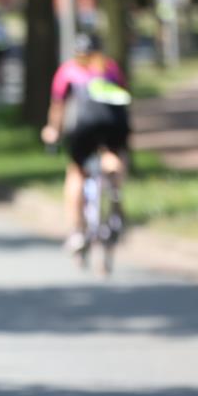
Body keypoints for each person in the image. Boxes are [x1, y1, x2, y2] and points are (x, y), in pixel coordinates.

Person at [41, 33, 131, 252]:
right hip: (113, 123)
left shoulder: (68, 70)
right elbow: (124, 98)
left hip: (83, 125)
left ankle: (77, 231)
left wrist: (53, 130)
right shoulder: (110, 67)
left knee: (76, 172)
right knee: (112, 157)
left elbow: (58, 106)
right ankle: (116, 196)